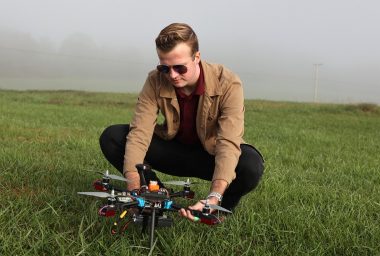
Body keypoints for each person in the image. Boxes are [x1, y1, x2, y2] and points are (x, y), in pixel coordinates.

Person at [99, 23, 264, 223]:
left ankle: (219, 210)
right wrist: (134, 186)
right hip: (173, 150)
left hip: (210, 156)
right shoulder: (155, 80)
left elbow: (228, 142)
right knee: (113, 137)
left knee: (250, 164)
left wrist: (214, 196)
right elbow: (140, 133)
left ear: (197, 57)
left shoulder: (228, 82)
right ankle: (155, 194)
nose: (172, 75)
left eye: (179, 67)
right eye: (164, 68)